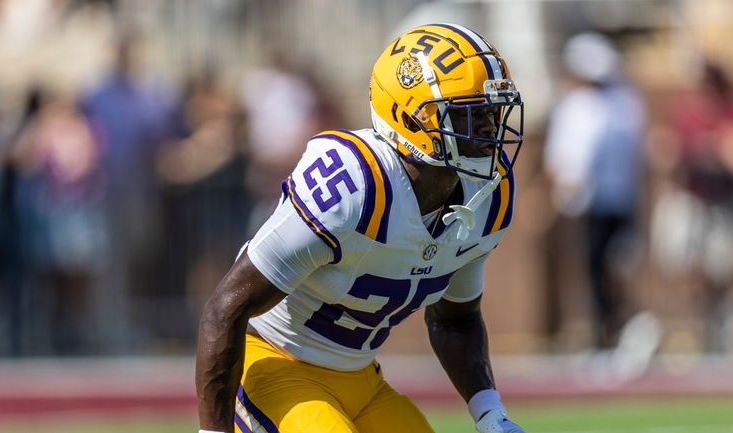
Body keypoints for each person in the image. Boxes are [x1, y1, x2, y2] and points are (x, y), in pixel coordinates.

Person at [196, 23, 525, 433]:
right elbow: (226, 307)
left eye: (493, 114)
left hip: (361, 379)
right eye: (470, 116)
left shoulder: (485, 196)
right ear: (412, 118)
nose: (491, 132)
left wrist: (490, 413)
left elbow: (454, 320)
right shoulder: (355, 185)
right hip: (274, 364)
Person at [544, 33, 646, 349]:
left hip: (609, 201)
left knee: (610, 269)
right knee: (592, 269)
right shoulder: (609, 104)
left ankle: (615, 332)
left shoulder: (618, 104)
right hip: (593, 202)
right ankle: (602, 335)